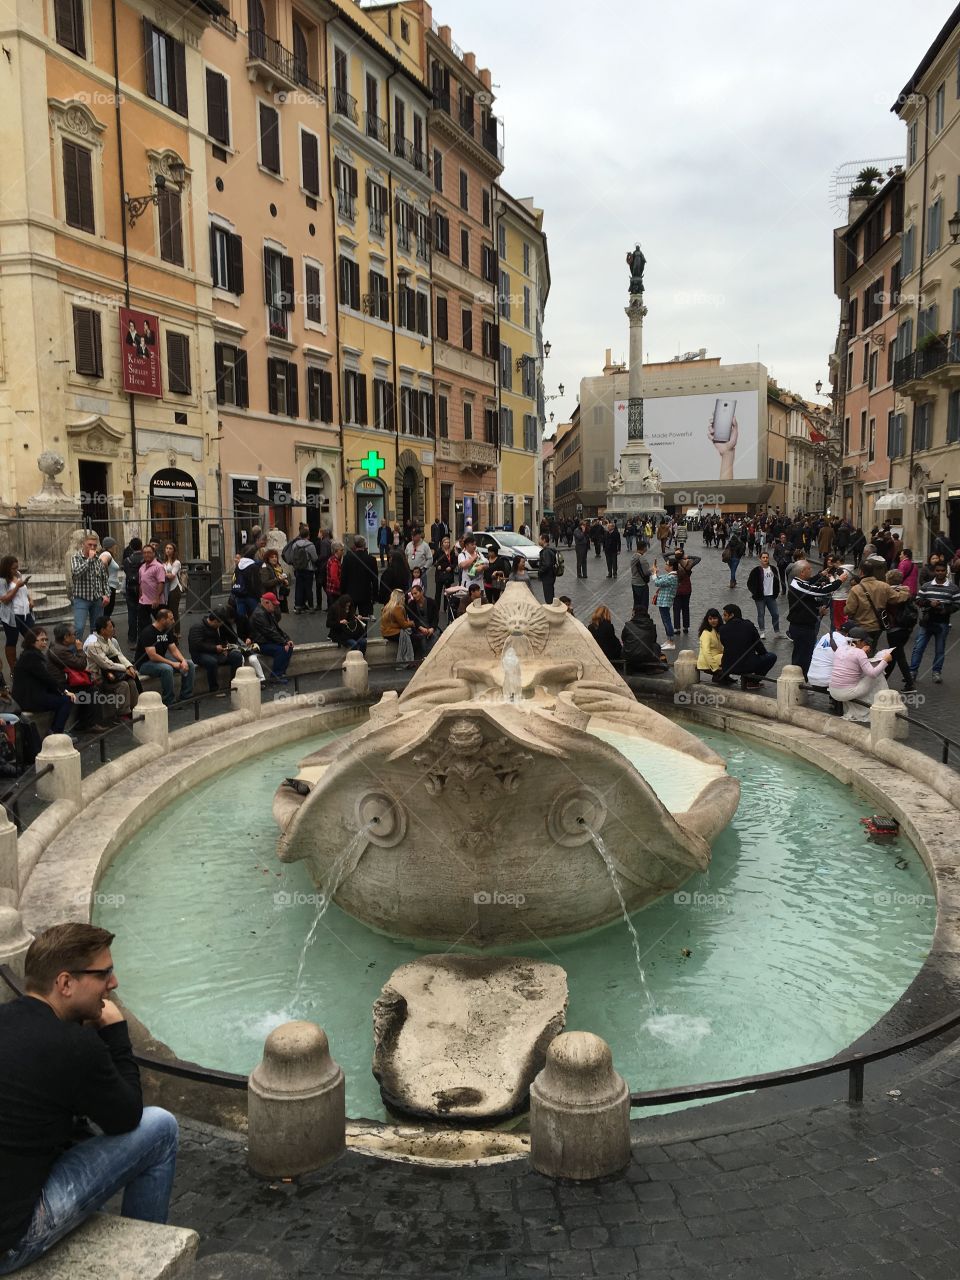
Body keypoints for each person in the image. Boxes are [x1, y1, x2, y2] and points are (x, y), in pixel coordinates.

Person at [0, 923, 179, 1273]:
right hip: (12, 1240)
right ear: (65, 983)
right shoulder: (75, 1047)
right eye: (104, 974)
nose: (113, 984)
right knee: (162, 1129)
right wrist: (115, 1033)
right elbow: (126, 1117)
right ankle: (139, 1263)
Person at [786, 559, 847, 677]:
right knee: (802, 657)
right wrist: (839, 581)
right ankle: (797, 681)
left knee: (805, 655)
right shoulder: (798, 585)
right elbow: (820, 591)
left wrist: (817, 611)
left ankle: (800, 679)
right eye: (809, 568)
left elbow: (810, 583)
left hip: (805, 625)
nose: (811, 570)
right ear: (802, 572)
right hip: (802, 628)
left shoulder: (799, 582)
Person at [10, 628, 76, 736]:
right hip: (29, 699)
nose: (45, 642)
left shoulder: (30, 654)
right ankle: (56, 733)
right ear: (32, 641)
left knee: (62, 697)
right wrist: (64, 691)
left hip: (32, 695)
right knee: (66, 700)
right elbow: (46, 678)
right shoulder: (31, 656)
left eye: (46, 640)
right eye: (41, 640)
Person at [909, 561, 960, 684]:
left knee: (940, 650)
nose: (940, 573)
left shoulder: (953, 588)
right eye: (938, 570)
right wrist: (929, 603)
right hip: (927, 622)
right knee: (918, 648)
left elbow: (957, 604)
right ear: (934, 571)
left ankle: (936, 673)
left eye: (942, 570)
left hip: (942, 623)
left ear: (946, 572)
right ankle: (912, 672)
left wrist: (945, 610)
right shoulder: (926, 586)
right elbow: (918, 600)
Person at [828, 627, 893, 721]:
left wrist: (862, 652)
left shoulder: (840, 649)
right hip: (846, 693)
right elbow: (873, 674)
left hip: (833, 691)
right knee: (878, 673)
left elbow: (850, 657)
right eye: (864, 642)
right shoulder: (859, 653)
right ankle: (881, 704)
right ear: (858, 642)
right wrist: (885, 660)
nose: (866, 644)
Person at [134, 608, 194, 706]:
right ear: (162, 620)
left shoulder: (167, 631)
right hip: (145, 664)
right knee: (167, 669)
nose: (173, 621)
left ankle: (186, 695)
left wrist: (183, 660)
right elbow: (152, 656)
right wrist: (172, 663)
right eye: (171, 619)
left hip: (160, 660)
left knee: (189, 664)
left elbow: (173, 649)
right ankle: (169, 700)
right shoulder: (148, 632)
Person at [844, 561, 909, 652]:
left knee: (860, 652)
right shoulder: (883, 586)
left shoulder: (855, 589)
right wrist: (905, 590)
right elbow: (898, 598)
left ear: (861, 572)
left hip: (861, 626)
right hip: (877, 626)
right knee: (872, 648)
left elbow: (849, 610)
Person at [82, 617, 140, 718]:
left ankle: (136, 709)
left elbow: (118, 655)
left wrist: (129, 666)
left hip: (112, 675)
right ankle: (123, 714)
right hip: (99, 678)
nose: (113, 628)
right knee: (123, 685)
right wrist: (124, 669)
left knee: (132, 682)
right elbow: (106, 663)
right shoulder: (93, 644)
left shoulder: (107, 640)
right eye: (110, 627)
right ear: (102, 630)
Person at [716, 603, 776, 689]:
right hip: (748, 665)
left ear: (731, 615)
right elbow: (759, 646)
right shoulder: (749, 625)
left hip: (728, 665)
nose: (723, 617)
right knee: (771, 657)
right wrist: (762, 654)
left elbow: (725, 644)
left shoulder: (722, 629)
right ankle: (753, 681)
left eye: (725, 615)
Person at [188, 612, 243, 694]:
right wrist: (215, 648)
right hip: (200, 654)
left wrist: (224, 648)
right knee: (212, 662)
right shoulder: (197, 627)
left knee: (237, 656)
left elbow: (218, 641)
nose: (220, 626)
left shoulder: (214, 628)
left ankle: (233, 683)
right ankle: (214, 689)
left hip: (215, 653)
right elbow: (197, 645)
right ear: (215, 621)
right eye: (219, 624)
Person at [883, 570, 919, 691]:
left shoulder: (889, 593)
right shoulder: (905, 591)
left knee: (898, 655)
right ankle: (884, 681)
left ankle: (909, 684)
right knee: (895, 654)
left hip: (894, 628)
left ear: (888, 580)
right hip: (906, 628)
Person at [0, 555, 35, 677]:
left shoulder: (18, 574)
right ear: (6, 568)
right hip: (12, 615)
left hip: (26, 613)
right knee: (12, 641)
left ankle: (30, 664)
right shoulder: (2, 580)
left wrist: (30, 599)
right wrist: (17, 587)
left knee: (33, 638)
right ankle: (13, 669)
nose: (16, 570)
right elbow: (4, 599)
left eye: (17, 567)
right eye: (13, 568)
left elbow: (24, 590)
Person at [248, 593, 294, 684]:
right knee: (281, 650)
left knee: (289, 647)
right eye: (274, 605)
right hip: (260, 643)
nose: (275, 607)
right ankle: (276, 676)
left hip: (267, 640)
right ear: (266, 602)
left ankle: (281, 673)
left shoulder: (266, 612)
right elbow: (270, 632)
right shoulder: (259, 614)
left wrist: (287, 639)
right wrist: (283, 642)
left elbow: (276, 629)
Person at [70, 534, 110, 639]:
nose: (92, 548)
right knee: (79, 628)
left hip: (97, 598)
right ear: (83, 544)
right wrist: (89, 560)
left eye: (95, 545)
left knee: (96, 629)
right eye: (90, 545)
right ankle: (73, 653)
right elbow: (76, 573)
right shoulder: (76, 558)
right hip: (81, 598)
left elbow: (104, 579)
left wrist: (106, 594)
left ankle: (93, 651)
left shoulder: (98, 560)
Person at [339, 537, 380, 618]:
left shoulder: (347, 558)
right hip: (365, 594)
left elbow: (343, 577)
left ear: (355, 545)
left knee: (349, 617)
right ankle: (363, 630)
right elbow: (375, 579)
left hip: (350, 594)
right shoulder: (371, 559)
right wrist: (375, 596)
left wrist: (342, 593)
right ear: (364, 545)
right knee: (364, 618)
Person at [746, 551, 781, 639]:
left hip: (771, 596)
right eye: (763, 557)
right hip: (760, 597)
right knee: (761, 614)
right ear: (760, 559)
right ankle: (762, 632)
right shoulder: (756, 570)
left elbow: (777, 582)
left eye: (766, 557)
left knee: (775, 614)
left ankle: (777, 632)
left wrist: (776, 592)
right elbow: (750, 583)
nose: (765, 559)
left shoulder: (773, 569)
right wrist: (755, 592)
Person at [380, 587, 416, 668]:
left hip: (385, 632)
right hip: (392, 633)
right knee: (412, 636)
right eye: (403, 596)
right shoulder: (398, 608)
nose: (404, 598)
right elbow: (403, 624)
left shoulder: (387, 607)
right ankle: (408, 660)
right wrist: (412, 623)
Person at [136, 544, 167, 635]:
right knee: (143, 625)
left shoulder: (159, 566)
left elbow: (161, 583)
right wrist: (140, 597)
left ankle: (168, 642)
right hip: (144, 601)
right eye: (144, 553)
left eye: (149, 552)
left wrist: (157, 598)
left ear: (154, 553)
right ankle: (144, 644)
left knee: (162, 624)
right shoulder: (141, 567)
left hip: (156, 601)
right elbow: (141, 583)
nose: (146, 555)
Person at [287, 525, 318, 613]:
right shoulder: (310, 545)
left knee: (299, 588)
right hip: (309, 569)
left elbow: (292, 557)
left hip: (298, 569)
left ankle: (298, 607)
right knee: (308, 588)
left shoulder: (295, 545)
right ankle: (311, 607)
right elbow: (315, 558)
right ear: (308, 535)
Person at [650, 557, 678, 650]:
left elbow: (657, 582)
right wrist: (655, 572)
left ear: (671, 566)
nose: (665, 565)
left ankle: (671, 642)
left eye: (667, 564)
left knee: (667, 621)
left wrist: (654, 573)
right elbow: (659, 578)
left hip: (665, 602)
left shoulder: (672, 577)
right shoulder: (670, 575)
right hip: (663, 601)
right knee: (665, 620)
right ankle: (669, 640)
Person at [121, 539, 145, 646]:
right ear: (141, 546)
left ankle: (132, 638)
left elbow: (126, 572)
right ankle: (143, 636)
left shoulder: (127, 560)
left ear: (131, 547)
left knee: (131, 614)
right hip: (142, 588)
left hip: (130, 588)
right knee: (143, 613)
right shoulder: (145, 559)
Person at [672, 552, 701, 636]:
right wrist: (688, 556)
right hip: (687, 589)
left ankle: (677, 628)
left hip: (677, 589)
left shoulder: (674, 563)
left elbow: (664, 555)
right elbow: (698, 558)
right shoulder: (688, 565)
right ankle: (686, 627)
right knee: (685, 608)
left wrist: (675, 555)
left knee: (676, 609)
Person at [407, 583, 439, 654]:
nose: (414, 596)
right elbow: (413, 620)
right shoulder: (411, 605)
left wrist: (432, 628)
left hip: (430, 627)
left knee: (434, 638)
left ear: (421, 592)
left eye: (416, 593)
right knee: (422, 639)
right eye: (412, 594)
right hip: (419, 628)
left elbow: (435, 618)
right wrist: (421, 628)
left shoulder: (431, 602)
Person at [160, 543, 183, 637]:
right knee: (167, 610)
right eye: (167, 548)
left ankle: (177, 632)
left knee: (174, 611)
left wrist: (162, 574)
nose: (168, 550)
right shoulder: (164, 562)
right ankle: (169, 630)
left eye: (170, 548)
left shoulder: (176, 562)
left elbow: (172, 576)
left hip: (174, 588)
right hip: (166, 589)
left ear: (174, 551)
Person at [696, 609, 724, 677]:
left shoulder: (717, 631)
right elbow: (706, 652)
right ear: (707, 620)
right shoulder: (706, 633)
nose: (712, 621)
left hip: (715, 658)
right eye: (710, 619)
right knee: (729, 657)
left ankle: (724, 676)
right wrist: (715, 667)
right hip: (707, 662)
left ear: (718, 619)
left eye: (715, 618)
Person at [405, 529, 433, 597]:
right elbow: (405, 556)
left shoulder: (425, 546)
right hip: (411, 571)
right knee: (410, 588)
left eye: (414, 536)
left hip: (421, 572)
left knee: (421, 590)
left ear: (419, 536)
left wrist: (424, 568)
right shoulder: (409, 545)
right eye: (412, 536)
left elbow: (430, 559)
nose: (412, 537)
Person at [99, 538, 121, 620]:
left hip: (110, 586)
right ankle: (103, 630)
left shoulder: (107, 554)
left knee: (107, 612)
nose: (116, 547)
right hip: (109, 587)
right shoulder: (106, 553)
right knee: (107, 612)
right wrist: (106, 575)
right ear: (111, 546)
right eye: (115, 545)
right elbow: (103, 562)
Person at [537, 534, 558, 604]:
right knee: (550, 595)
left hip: (547, 577)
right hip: (551, 576)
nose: (538, 541)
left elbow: (547, 564)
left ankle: (551, 612)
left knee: (548, 598)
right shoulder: (550, 549)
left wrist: (540, 571)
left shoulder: (546, 551)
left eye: (540, 539)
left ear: (544, 540)